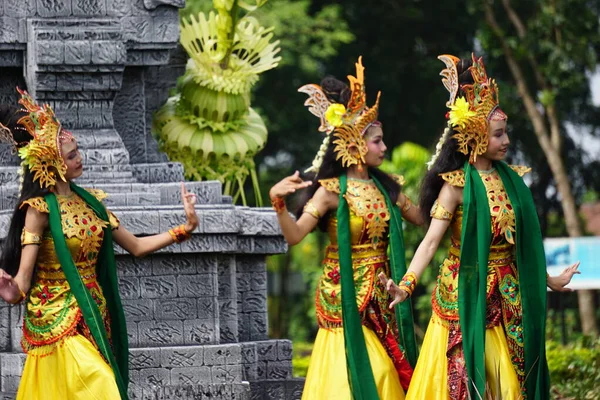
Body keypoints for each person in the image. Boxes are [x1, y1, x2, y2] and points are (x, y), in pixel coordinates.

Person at [379, 54, 580, 400]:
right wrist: (406, 286)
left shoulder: (512, 181)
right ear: (475, 135)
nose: (506, 141)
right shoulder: (455, 186)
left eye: (506, 134)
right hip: (466, 295)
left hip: (507, 295)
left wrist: (550, 280)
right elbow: (429, 242)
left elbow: (523, 246)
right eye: (499, 135)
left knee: (511, 384)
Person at [0, 88, 199, 400]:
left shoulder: (92, 205)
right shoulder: (38, 211)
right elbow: (23, 282)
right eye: (71, 155)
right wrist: (11, 289)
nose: (80, 158)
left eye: (77, 151)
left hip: (93, 313)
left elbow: (136, 246)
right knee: (100, 384)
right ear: (52, 163)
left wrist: (184, 229)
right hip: (56, 320)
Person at [270, 57, 424, 400]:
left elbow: (427, 221)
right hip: (344, 295)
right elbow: (294, 237)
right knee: (368, 376)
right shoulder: (330, 191)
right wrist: (277, 203)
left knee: (386, 373)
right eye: (377, 142)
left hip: (382, 295)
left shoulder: (390, 189)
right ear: (354, 145)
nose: (384, 148)